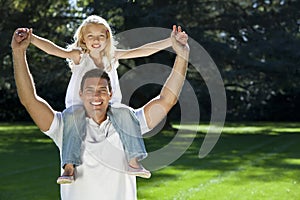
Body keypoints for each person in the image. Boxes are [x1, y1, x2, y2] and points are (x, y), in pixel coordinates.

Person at [12, 24, 189, 200]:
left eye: (102, 90)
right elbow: (30, 98)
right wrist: (25, 46)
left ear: (110, 93)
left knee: (123, 113)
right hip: (74, 113)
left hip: (117, 112)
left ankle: (134, 161)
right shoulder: (66, 126)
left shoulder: (126, 122)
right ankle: (69, 166)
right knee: (73, 116)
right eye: (89, 90)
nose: (96, 95)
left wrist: (177, 49)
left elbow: (165, 96)